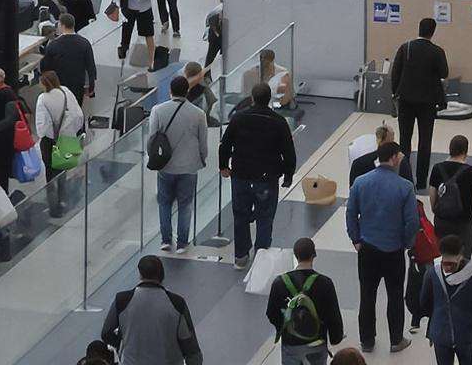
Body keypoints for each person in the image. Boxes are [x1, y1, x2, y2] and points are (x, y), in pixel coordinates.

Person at [220, 81, 299, 267]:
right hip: (267, 178)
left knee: (240, 216)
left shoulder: (239, 118)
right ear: (269, 99)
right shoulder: (278, 121)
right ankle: (261, 258)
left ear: (252, 99)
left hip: (241, 176)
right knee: (265, 217)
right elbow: (288, 151)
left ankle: (240, 256)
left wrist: (223, 166)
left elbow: (225, 144)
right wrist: (288, 175)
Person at [348, 143, 417, 352]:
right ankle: (396, 340)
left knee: (367, 295)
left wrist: (356, 239)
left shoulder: (361, 182)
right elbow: (412, 222)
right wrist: (406, 242)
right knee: (395, 295)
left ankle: (367, 341)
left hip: (367, 248)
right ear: (394, 158)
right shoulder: (404, 187)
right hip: (393, 249)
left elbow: (351, 213)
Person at [100, 253, 203, 365]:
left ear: (140, 274)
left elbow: (106, 333)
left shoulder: (122, 300)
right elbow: (191, 348)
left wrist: (123, 344)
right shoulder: (177, 303)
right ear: (162, 275)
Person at [146, 80, 210, 250]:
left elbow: (152, 138)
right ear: (187, 91)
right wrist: (203, 158)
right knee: (185, 204)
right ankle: (182, 242)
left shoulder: (158, 110)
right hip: (189, 166)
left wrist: (153, 158)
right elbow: (203, 142)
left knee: (164, 202)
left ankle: (166, 240)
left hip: (166, 166)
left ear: (170, 91)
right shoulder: (198, 114)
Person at [419, 234, 472, 365]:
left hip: (447, 333)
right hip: (462, 334)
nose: (448, 268)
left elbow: (424, 302)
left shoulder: (433, 274)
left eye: (451, 264)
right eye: (446, 263)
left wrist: (438, 316)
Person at [269, 235, 346, 365]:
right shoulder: (325, 283)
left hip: (291, 343)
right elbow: (333, 315)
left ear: (295, 255)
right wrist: (335, 337)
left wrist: (284, 328)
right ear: (313, 255)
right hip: (317, 343)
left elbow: (271, 313)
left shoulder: (280, 282)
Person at [391, 19, 451, 181]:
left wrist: (394, 93)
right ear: (432, 32)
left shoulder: (406, 48)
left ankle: (405, 176)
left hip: (406, 101)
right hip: (427, 103)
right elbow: (444, 73)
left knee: (405, 140)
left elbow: (395, 73)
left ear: (419, 29)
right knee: (425, 141)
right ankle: (422, 179)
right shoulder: (437, 51)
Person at [428, 135, 472, 260]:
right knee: (463, 259)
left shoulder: (437, 168)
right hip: (463, 224)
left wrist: (437, 210)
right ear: (465, 151)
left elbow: (432, 197)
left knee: (442, 256)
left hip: (442, 221)